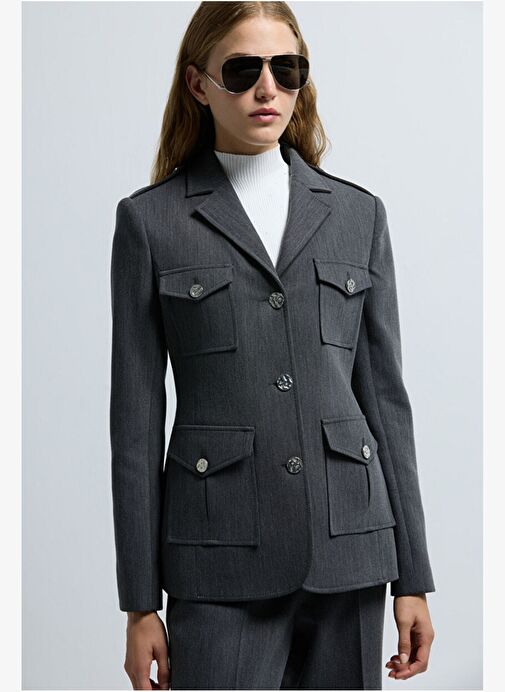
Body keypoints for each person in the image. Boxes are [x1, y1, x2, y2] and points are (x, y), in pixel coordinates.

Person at [109, 2, 436, 689]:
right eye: (242, 69)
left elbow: (385, 401)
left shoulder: (357, 215)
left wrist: (413, 576)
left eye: (286, 69)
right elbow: (134, 426)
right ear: (198, 84)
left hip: (351, 549)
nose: (267, 88)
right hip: (218, 555)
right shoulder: (151, 222)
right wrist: (140, 603)